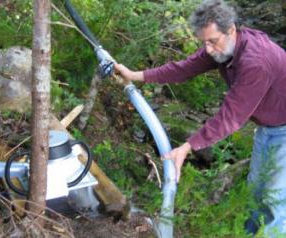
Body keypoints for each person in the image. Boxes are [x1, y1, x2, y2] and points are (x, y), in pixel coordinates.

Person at [114, 0, 286, 236]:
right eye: (203, 42)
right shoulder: (222, 47)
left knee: (275, 201)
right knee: (255, 191)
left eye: (212, 41)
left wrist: (187, 147)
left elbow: (231, 117)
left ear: (231, 30)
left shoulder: (256, 62)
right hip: (269, 127)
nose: (207, 49)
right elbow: (183, 68)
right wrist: (135, 75)